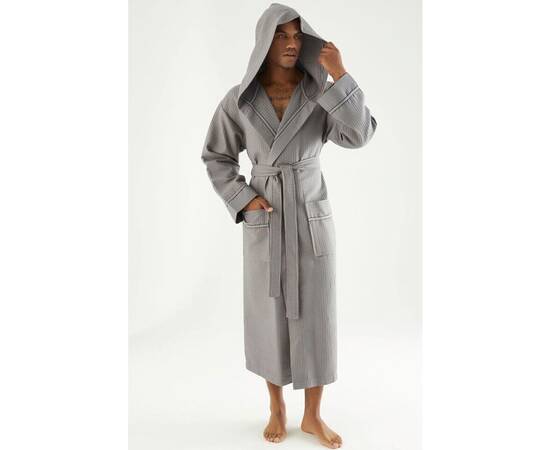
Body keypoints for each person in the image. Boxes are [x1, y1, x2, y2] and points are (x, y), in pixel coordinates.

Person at [201, 3, 377, 448]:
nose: (292, 43)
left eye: (297, 35)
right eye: (282, 35)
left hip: (310, 216)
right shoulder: (240, 99)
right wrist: (245, 198)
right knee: (269, 317)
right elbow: (217, 156)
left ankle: (313, 415)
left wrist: (340, 75)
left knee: (317, 314)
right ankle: (276, 407)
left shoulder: (319, 92)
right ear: (264, 41)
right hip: (267, 220)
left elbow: (359, 134)